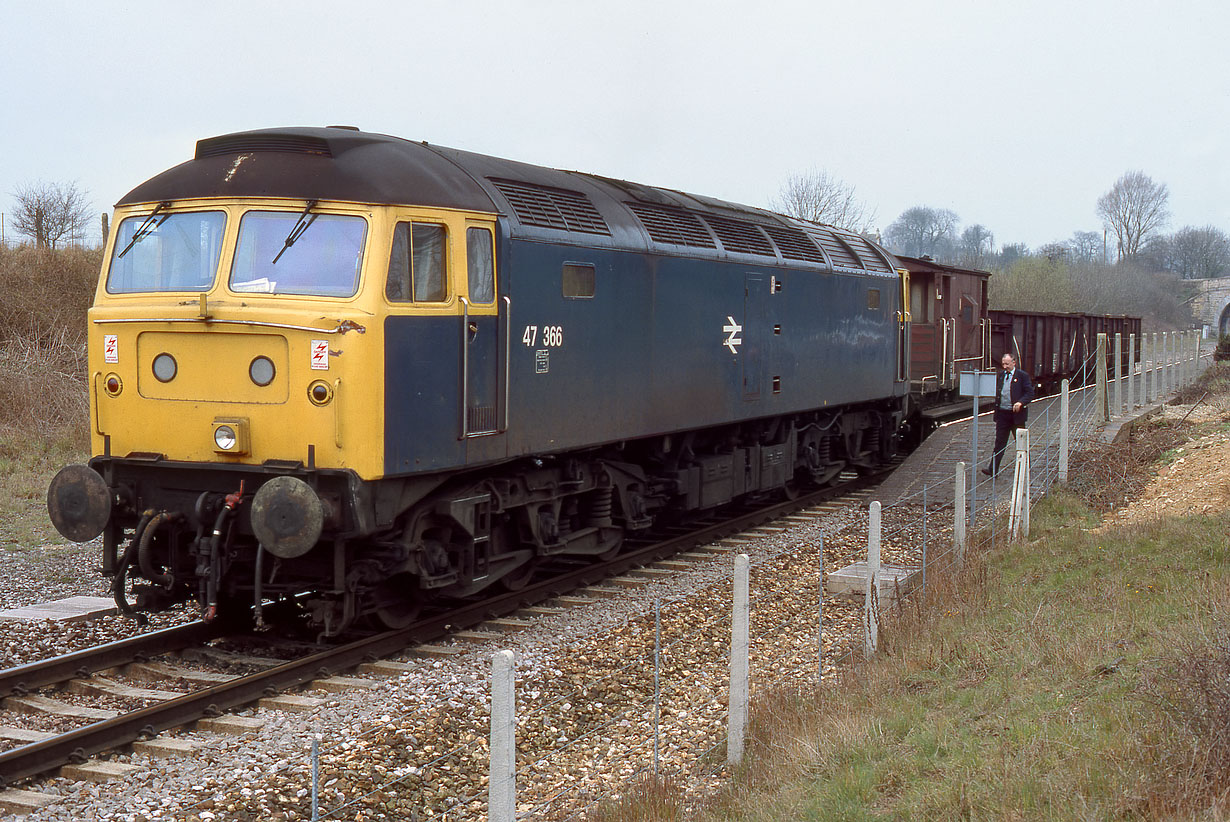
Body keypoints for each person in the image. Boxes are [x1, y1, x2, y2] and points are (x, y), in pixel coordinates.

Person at [983, 353, 1034, 476]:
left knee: (1020, 441)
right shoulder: (1001, 376)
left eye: (1007, 364)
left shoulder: (1022, 376)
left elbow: (1030, 393)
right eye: (1003, 364)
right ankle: (993, 469)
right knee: (999, 442)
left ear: (1014, 363)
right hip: (1003, 415)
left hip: (1016, 416)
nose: (1005, 366)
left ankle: (1026, 467)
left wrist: (1020, 402)